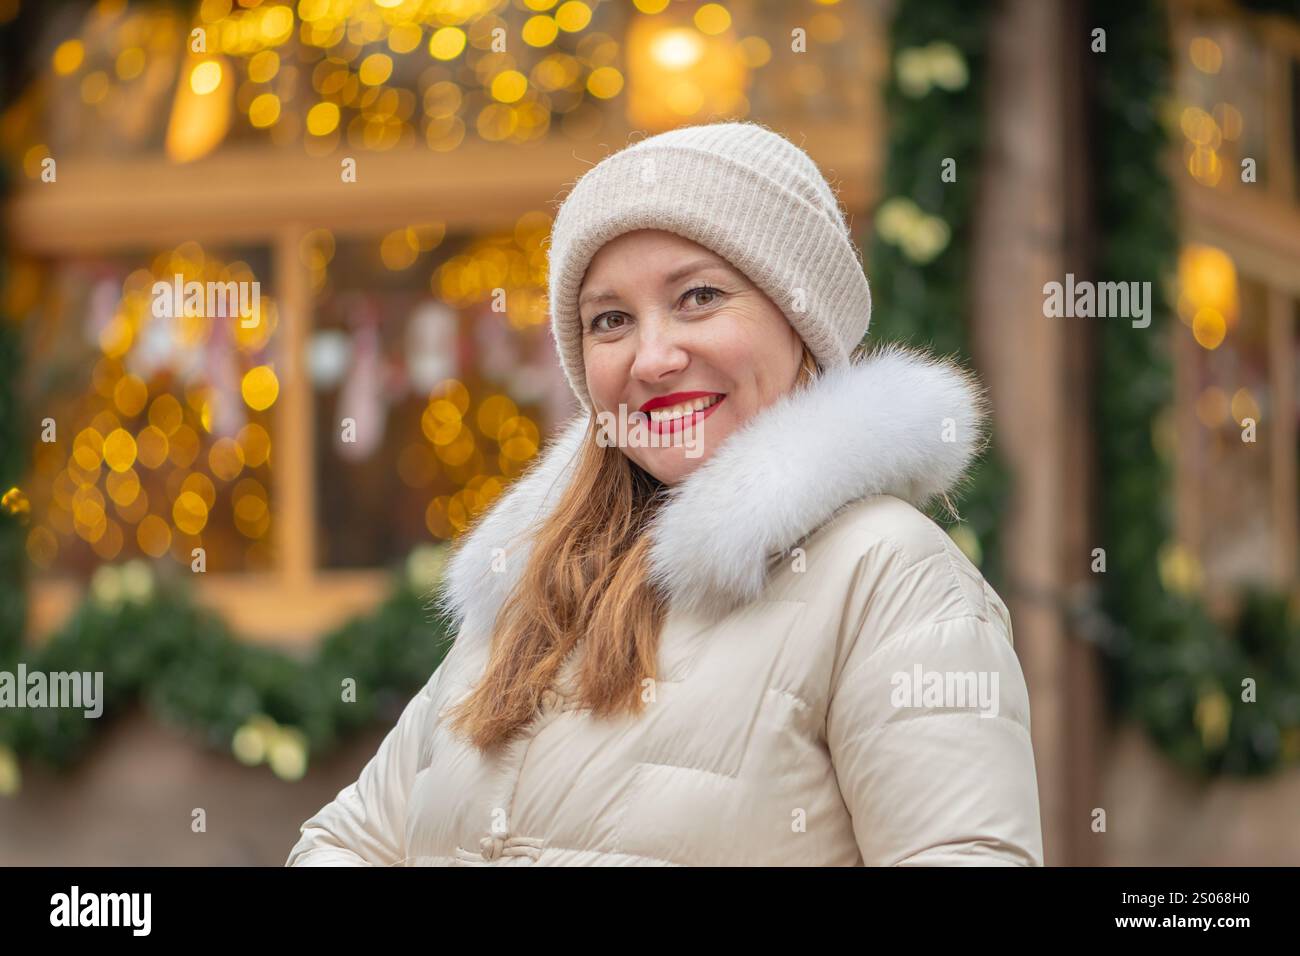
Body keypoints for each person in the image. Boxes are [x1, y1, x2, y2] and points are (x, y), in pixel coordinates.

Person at [286, 121, 1044, 866]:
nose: (652, 358)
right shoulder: (530, 577)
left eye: (698, 297)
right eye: (610, 320)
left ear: (800, 321)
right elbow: (345, 842)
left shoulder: (889, 576)